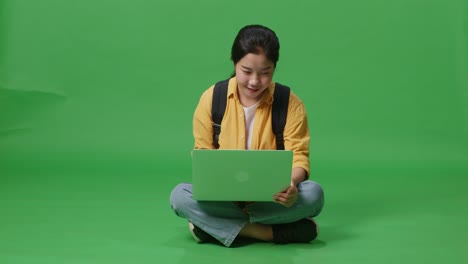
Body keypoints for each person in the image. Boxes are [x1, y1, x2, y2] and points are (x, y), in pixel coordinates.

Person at [169, 24, 324, 247]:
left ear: (274, 68)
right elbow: (203, 153)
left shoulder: (290, 102)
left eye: (265, 73)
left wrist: (291, 183)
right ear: (234, 63)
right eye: (246, 71)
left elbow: (299, 155)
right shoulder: (212, 98)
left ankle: (211, 227)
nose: (254, 81)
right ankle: (267, 233)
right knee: (179, 196)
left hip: (272, 199)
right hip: (222, 199)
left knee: (314, 195)